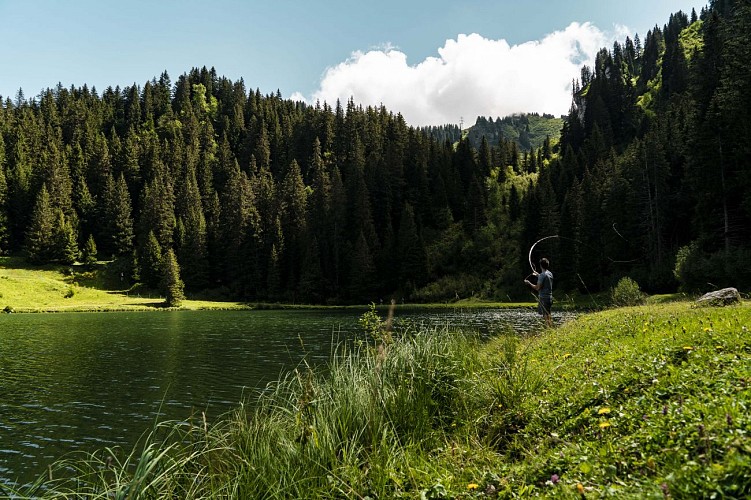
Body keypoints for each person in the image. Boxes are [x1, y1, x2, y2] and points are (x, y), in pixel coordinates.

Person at [524, 257, 553, 327]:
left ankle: (548, 330)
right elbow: (545, 278)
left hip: (544, 298)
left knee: (545, 316)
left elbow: (537, 288)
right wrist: (537, 275)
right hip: (550, 297)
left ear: (540, 265)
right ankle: (551, 329)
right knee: (548, 314)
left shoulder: (542, 275)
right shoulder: (549, 273)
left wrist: (529, 283)